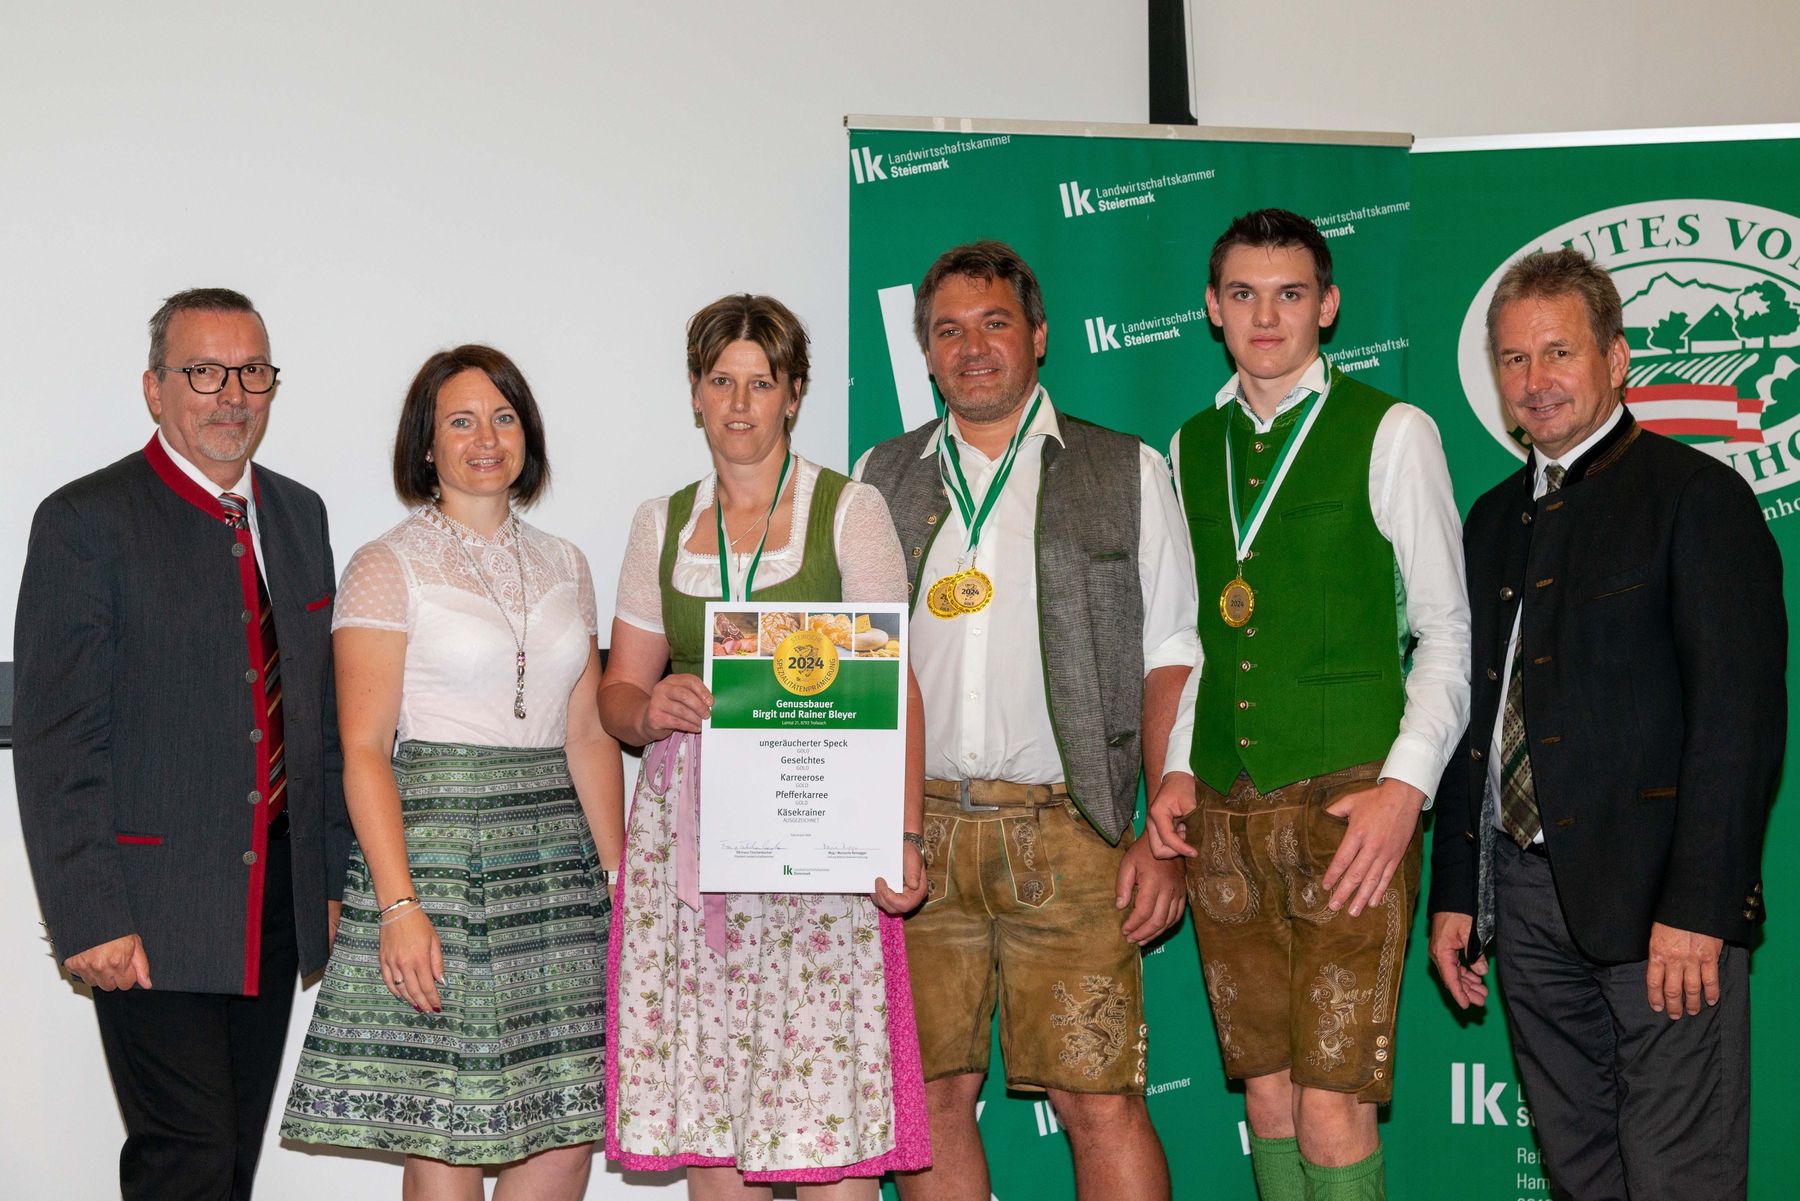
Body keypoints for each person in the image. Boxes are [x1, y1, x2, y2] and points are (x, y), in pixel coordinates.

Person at [1427, 247, 1784, 1201]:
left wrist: (1699, 911)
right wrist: (1459, 889)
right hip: (1527, 903)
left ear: (1616, 359)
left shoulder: (1696, 498)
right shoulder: (1492, 518)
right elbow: (1472, 712)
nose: (1535, 382)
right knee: (1582, 1177)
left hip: (1662, 909)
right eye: (1513, 359)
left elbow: (1738, 723)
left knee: (1680, 1180)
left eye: (1558, 353)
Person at [855, 240, 1194, 1201]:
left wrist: (1164, 836)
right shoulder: (877, 477)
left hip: (1076, 832)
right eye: (949, 330)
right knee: (929, 1097)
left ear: (1039, 335)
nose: (972, 347)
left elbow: (1172, 650)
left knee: (1101, 1099)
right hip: (918, 834)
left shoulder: (1123, 466)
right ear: (924, 352)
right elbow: (852, 664)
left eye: (995, 322)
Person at [1147, 208, 1470, 1201]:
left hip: (1348, 811)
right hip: (1227, 814)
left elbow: (1448, 631)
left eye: (1290, 294)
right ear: (1212, 308)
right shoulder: (1189, 444)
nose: (1266, 315)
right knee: (1272, 1101)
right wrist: (1172, 771)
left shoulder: (1393, 430)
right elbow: (1190, 631)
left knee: (1333, 1101)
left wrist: (1403, 788)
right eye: (1242, 293)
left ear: (1326, 305)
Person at [12, 287, 349, 1200]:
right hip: (149, 912)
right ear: (156, 388)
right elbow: (56, 744)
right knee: (185, 1160)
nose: (230, 393)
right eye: (203, 371)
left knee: (231, 1157)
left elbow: (315, 718)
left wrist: (326, 879)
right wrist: (89, 915)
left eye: (251, 371)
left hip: (275, 906)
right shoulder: (84, 522)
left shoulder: (300, 515)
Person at [599, 293, 930, 1199]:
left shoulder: (848, 508)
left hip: (819, 820)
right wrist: (650, 706)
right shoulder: (658, 522)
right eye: (720, 381)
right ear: (695, 395)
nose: (740, 403)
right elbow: (617, 693)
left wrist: (903, 837)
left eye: (761, 382)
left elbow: (894, 683)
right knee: (717, 1115)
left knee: (825, 1106)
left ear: (794, 394)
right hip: (696, 831)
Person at [280, 344, 624, 1199]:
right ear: (426, 444)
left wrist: (619, 881)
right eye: (461, 420)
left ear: (527, 434)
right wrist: (397, 904)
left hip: (555, 867)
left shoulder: (567, 562)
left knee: (567, 1125)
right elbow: (363, 748)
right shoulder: (385, 563)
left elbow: (585, 733)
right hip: (434, 861)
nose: (485, 437)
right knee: (446, 1127)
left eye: (503, 417)